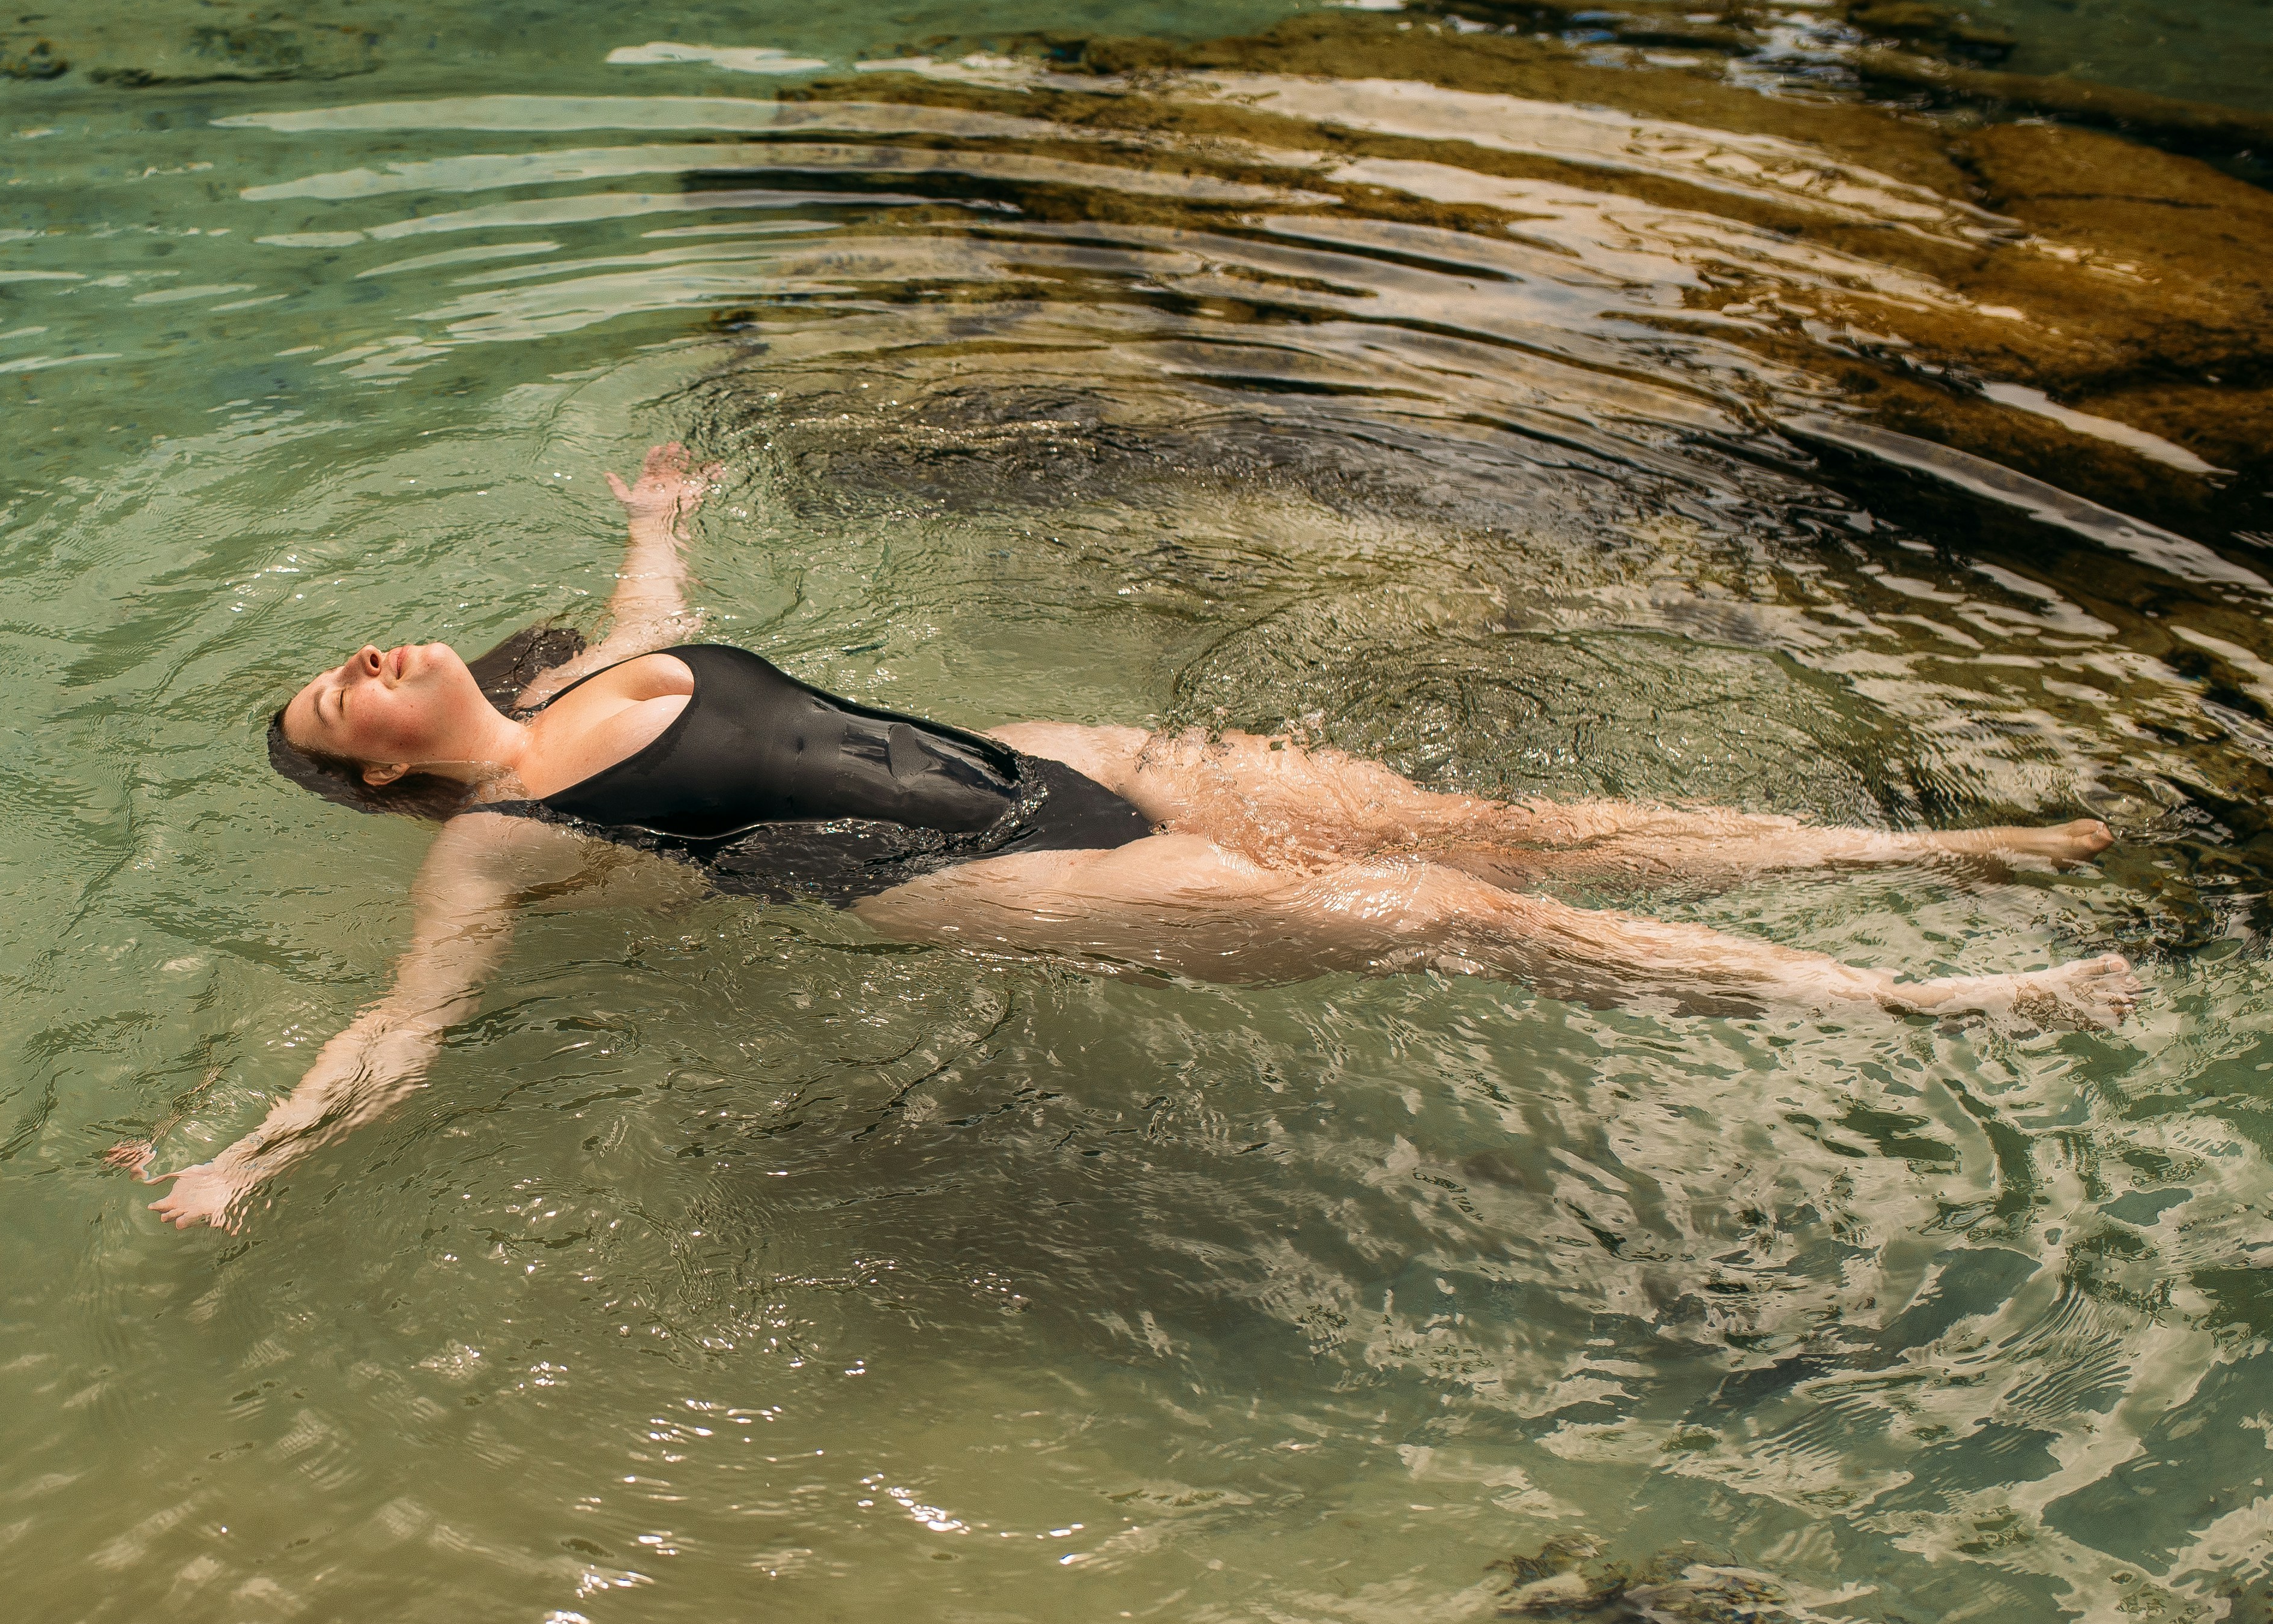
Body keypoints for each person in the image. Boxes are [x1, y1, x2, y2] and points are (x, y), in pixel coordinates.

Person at [122, 444, 2137, 1229]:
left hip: (1055, 754)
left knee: (1488, 820)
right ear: (382, 775)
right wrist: (244, 1162)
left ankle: (1924, 860)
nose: (359, 664)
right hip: (1006, 879)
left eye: (344, 658)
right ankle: (1933, 998)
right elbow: (406, 1032)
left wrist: (659, 516)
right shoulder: (484, 847)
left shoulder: (577, 683)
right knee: (1451, 909)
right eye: (335, 704)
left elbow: (655, 614)